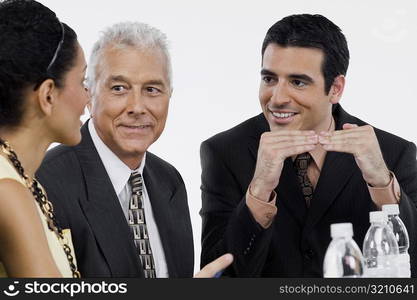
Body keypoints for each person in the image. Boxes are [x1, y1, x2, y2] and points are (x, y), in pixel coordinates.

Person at [200, 14, 417, 277]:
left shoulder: (393, 151)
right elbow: (215, 275)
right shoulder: (224, 152)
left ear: (335, 88)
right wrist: (259, 191)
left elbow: (410, 264)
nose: (277, 98)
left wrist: (381, 182)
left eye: (297, 82)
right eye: (269, 79)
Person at [37, 21, 195, 278]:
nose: (137, 107)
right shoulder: (47, 182)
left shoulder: (170, 180)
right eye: (119, 88)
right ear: (89, 94)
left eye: (152, 90)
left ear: (170, 96)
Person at [0, 0, 88, 277]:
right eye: (83, 82)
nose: (88, 98)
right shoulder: (8, 192)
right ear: (48, 95)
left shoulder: (23, 182)